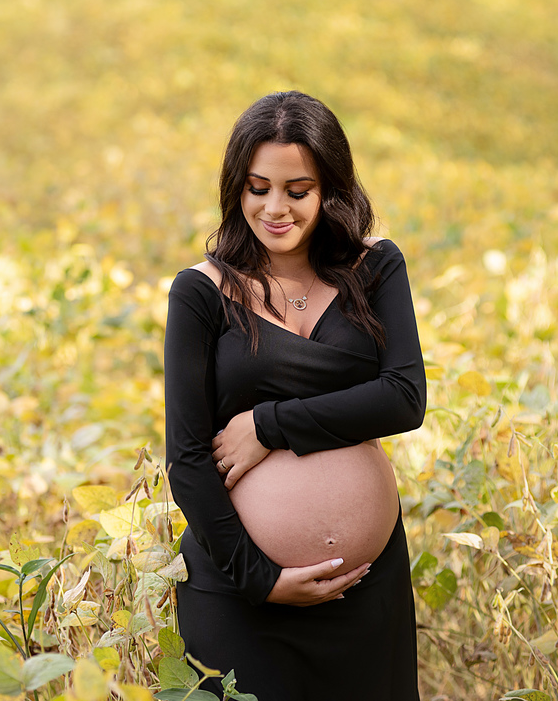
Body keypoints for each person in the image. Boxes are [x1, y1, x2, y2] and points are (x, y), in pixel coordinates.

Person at [163, 91, 425, 700]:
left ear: (330, 189)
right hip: (239, 598)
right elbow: (187, 458)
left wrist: (268, 425)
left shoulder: (375, 270)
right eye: (257, 188)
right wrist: (260, 579)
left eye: (297, 190)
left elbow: (403, 397)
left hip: (367, 592)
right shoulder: (201, 293)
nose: (274, 208)